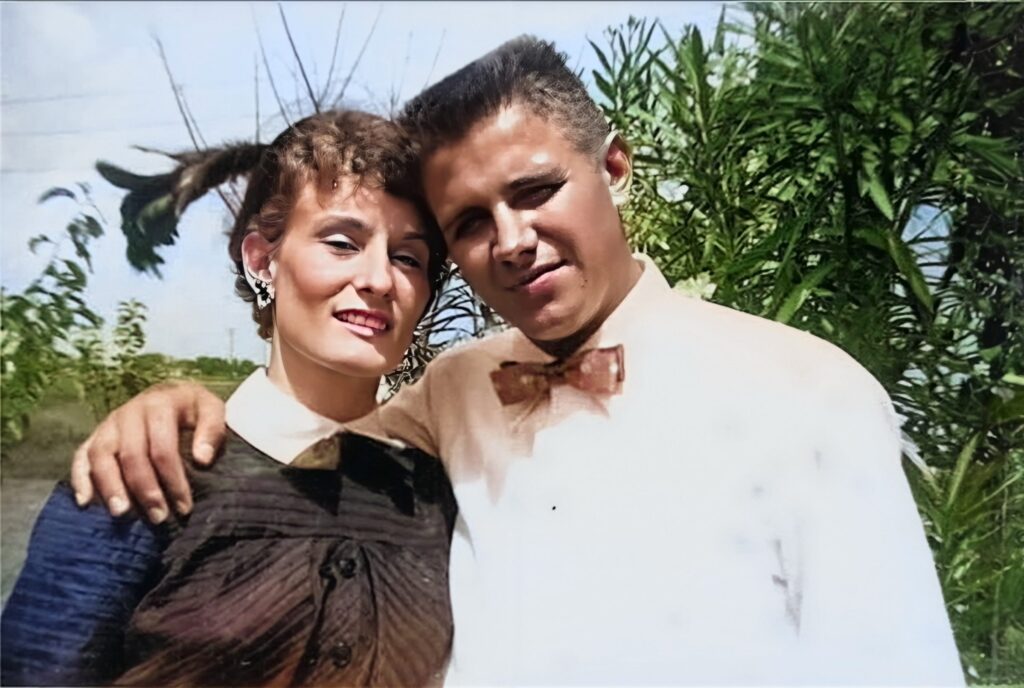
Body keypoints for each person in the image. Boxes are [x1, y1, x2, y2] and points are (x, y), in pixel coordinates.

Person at [67, 37, 964, 685]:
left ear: (615, 168)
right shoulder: (454, 389)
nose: (512, 240)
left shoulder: (808, 394)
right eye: (468, 223)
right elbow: (299, 430)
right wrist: (172, 403)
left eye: (536, 192)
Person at [1, 110, 457, 687]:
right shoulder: (148, 470)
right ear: (262, 260)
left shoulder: (438, 496)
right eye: (342, 243)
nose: (379, 279)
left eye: (408, 258)